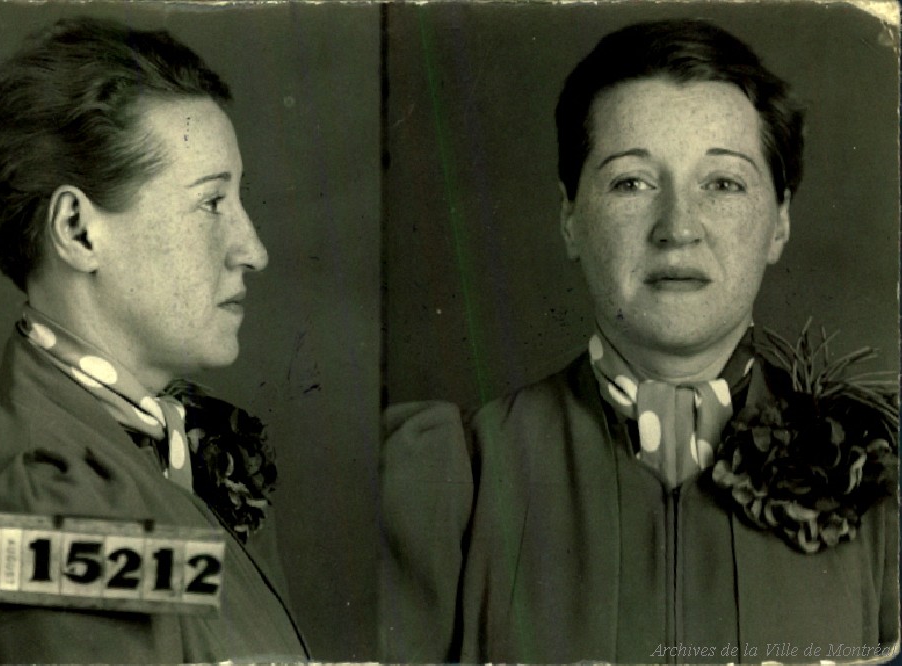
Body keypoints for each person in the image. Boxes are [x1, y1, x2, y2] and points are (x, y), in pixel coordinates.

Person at [381, 19, 898, 663]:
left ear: (779, 222)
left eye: (723, 183)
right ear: (569, 217)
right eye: (631, 183)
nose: (678, 229)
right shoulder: (453, 479)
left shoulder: (879, 486)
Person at [0, 17, 308, 662]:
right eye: (210, 205)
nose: (252, 250)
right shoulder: (35, 497)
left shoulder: (176, 446)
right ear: (79, 231)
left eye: (240, 202)